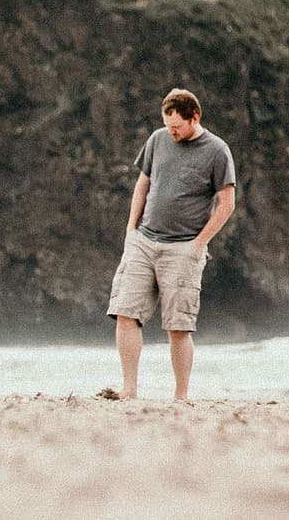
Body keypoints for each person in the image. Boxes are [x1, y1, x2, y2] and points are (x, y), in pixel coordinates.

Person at [106, 87, 236, 401]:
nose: (172, 132)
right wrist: (130, 229)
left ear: (195, 117)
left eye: (177, 127)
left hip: (184, 248)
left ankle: (180, 396)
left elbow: (227, 203)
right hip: (144, 240)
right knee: (126, 312)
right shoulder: (157, 140)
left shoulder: (217, 151)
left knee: (178, 325)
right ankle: (129, 389)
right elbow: (143, 184)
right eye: (168, 125)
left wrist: (200, 243)